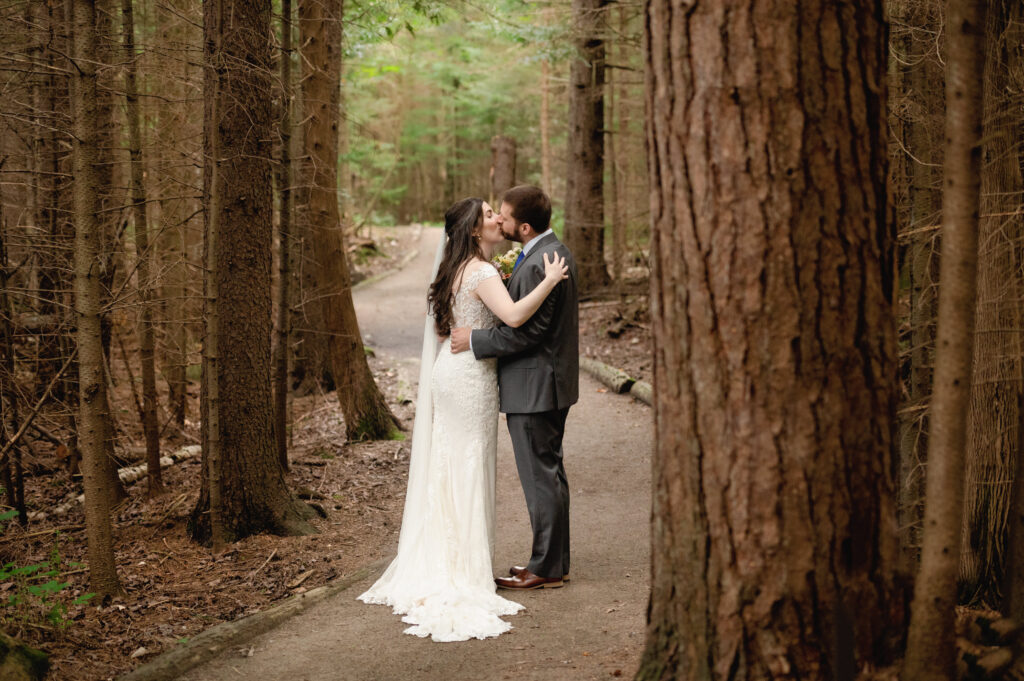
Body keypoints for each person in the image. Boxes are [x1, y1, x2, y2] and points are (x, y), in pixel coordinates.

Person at [357, 196, 568, 642]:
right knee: (469, 465)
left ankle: (445, 557)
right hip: (470, 379)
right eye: (490, 215)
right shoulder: (484, 271)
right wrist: (548, 281)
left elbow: (443, 329)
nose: (497, 220)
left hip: (449, 375)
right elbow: (511, 316)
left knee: (450, 465)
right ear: (474, 229)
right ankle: (465, 569)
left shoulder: (452, 271)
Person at [450, 185, 579, 591]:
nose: (498, 221)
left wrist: (474, 340)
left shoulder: (542, 263)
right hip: (544, 382)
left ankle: (545, 568)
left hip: (535, 384)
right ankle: (551, 562)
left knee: (541, 478)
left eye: (502, 216)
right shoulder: (544, 253)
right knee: (549, 474)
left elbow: (528, 335)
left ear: (523, 227)